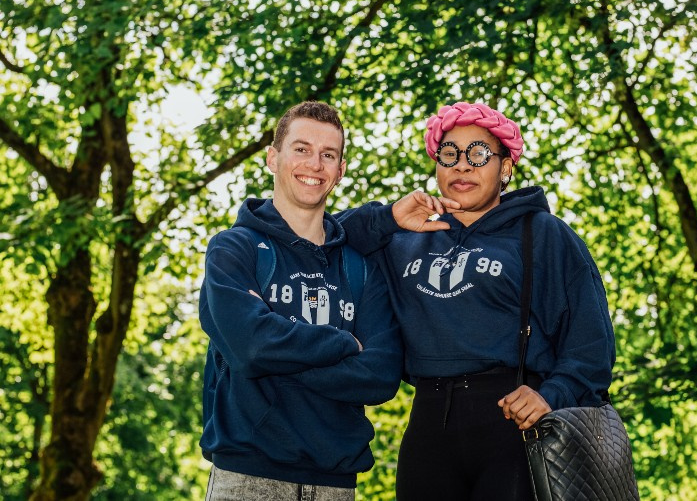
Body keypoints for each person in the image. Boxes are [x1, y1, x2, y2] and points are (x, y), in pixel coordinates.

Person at [339, 101, 616, 500]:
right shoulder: (406, 237)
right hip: (429, 423)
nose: (462, 166)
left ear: (505, 168)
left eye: (478, 154)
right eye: (449, 154)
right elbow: (325, 238)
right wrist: (388, 218)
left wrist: (550, 395)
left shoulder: (544, 234)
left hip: (514, 420)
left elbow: (592, 344)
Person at [199, 101, 403, 501]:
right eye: (302, 149)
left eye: (329, 155)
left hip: (336, 484)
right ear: (273, 158)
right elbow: (253, 347)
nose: (315, 164)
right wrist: (344, 344)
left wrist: (276, 353)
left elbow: (381, 375)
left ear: (340, 171)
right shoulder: (234, 249)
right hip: (247, 477)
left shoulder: (360, 267)